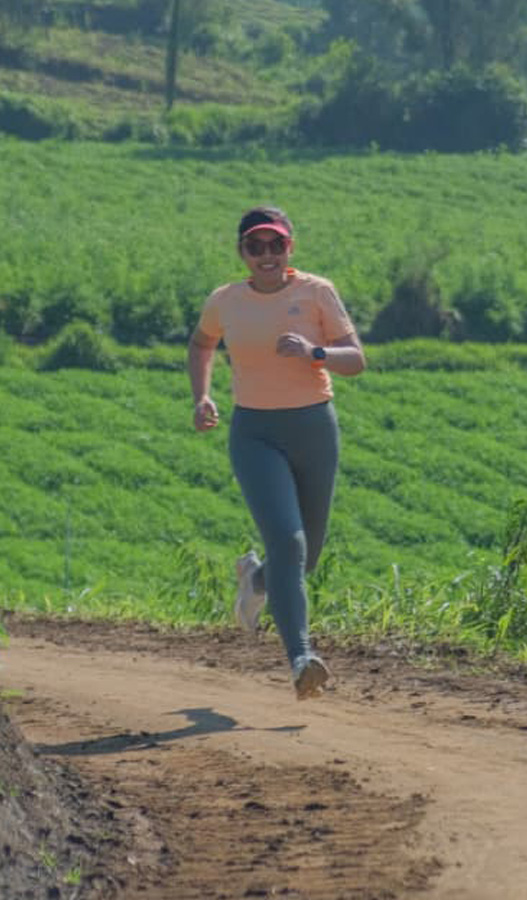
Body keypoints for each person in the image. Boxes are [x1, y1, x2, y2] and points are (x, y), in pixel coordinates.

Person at [187, 206, 365, 700]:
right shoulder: (226, 300)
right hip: (255, 434)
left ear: (290, 248)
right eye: (255, 246)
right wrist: (202, 395)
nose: (266, 255)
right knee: (289, 543)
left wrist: (316, 352)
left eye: (276, 245)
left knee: (304, 558)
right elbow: (201, 345)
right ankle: (301, 658)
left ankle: (255, 580)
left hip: (314, 429)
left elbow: (357, 361)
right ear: (242, 251)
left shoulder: (316, 292)